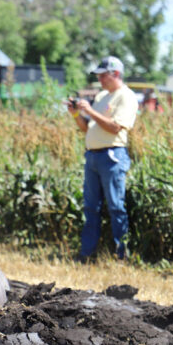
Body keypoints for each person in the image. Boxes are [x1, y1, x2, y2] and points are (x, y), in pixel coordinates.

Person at [68, 55, 138, 261]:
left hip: (112, 156)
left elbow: (115, 127)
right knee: (91, 207)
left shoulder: (126, 96)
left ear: (115, 74)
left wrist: (89, 110)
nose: (100, 79)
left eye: (103, 75)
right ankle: (87, 253)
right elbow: (86, 128)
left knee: (116, 206)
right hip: (93, 156)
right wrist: (75, 114)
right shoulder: (101, 97)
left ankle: (121, 253)